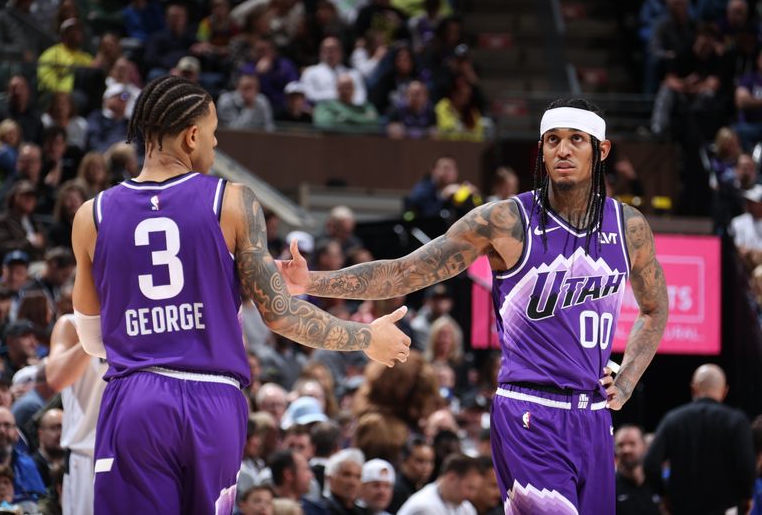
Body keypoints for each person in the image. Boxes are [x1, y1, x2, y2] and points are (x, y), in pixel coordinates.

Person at [279, 98, 669, 514]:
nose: (564, 150)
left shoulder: (628, 226)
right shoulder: (505, 221)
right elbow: (405, 272)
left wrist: (626, 379)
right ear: (542, 149)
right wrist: (312, 281)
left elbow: (654, 308)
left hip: (593, 416)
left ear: (601, 150)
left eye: (577, 140)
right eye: (553, 140)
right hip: (530, 411)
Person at [70, 75, 411, 514]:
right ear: (192, 136)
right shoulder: (232, 201)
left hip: (137, 398)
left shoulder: (90, 215)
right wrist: (365, 337)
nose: (214, 149)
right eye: (213, 136)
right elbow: (283, 315)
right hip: (212, 404)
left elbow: (93, 340)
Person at [644, 364, 756, 514]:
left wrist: (664, 495)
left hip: (682, 508)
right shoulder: (737, 421)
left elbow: (650, 464)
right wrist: (747, 496)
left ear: (693, 388)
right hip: (725, 508)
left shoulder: (673, 419)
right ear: (724, 391)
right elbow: (747, 467)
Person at [45, 314, 107, 515]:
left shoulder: (137, 320)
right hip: (87, 456)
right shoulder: (70, 324)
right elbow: (56, 378)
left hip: (134, 452)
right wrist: (97, 331)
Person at [614, 425, 660, 515]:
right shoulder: (610, 487)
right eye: (620, 445)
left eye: (632, 443)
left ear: (645, 446)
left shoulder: (657, 483)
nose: (626, 450)